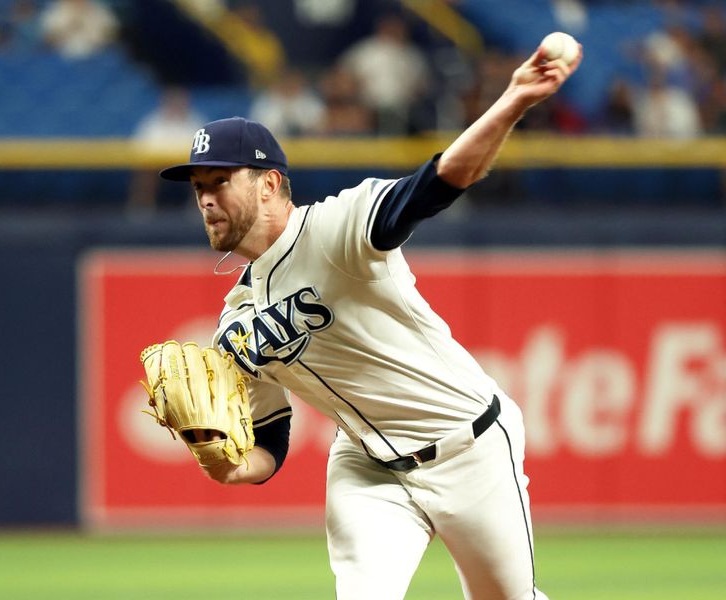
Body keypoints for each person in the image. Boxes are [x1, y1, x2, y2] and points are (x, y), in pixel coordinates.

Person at [157, 40, 582, 600]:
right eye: (198, 188)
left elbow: (442, 180)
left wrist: (513, 100)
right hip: (367, 466)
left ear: (268, 184)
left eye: (219, 181)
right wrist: (234, 469)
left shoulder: (338, 227)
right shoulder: (233, 326)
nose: (206, 199)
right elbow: (271, 439)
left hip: (470, 444)